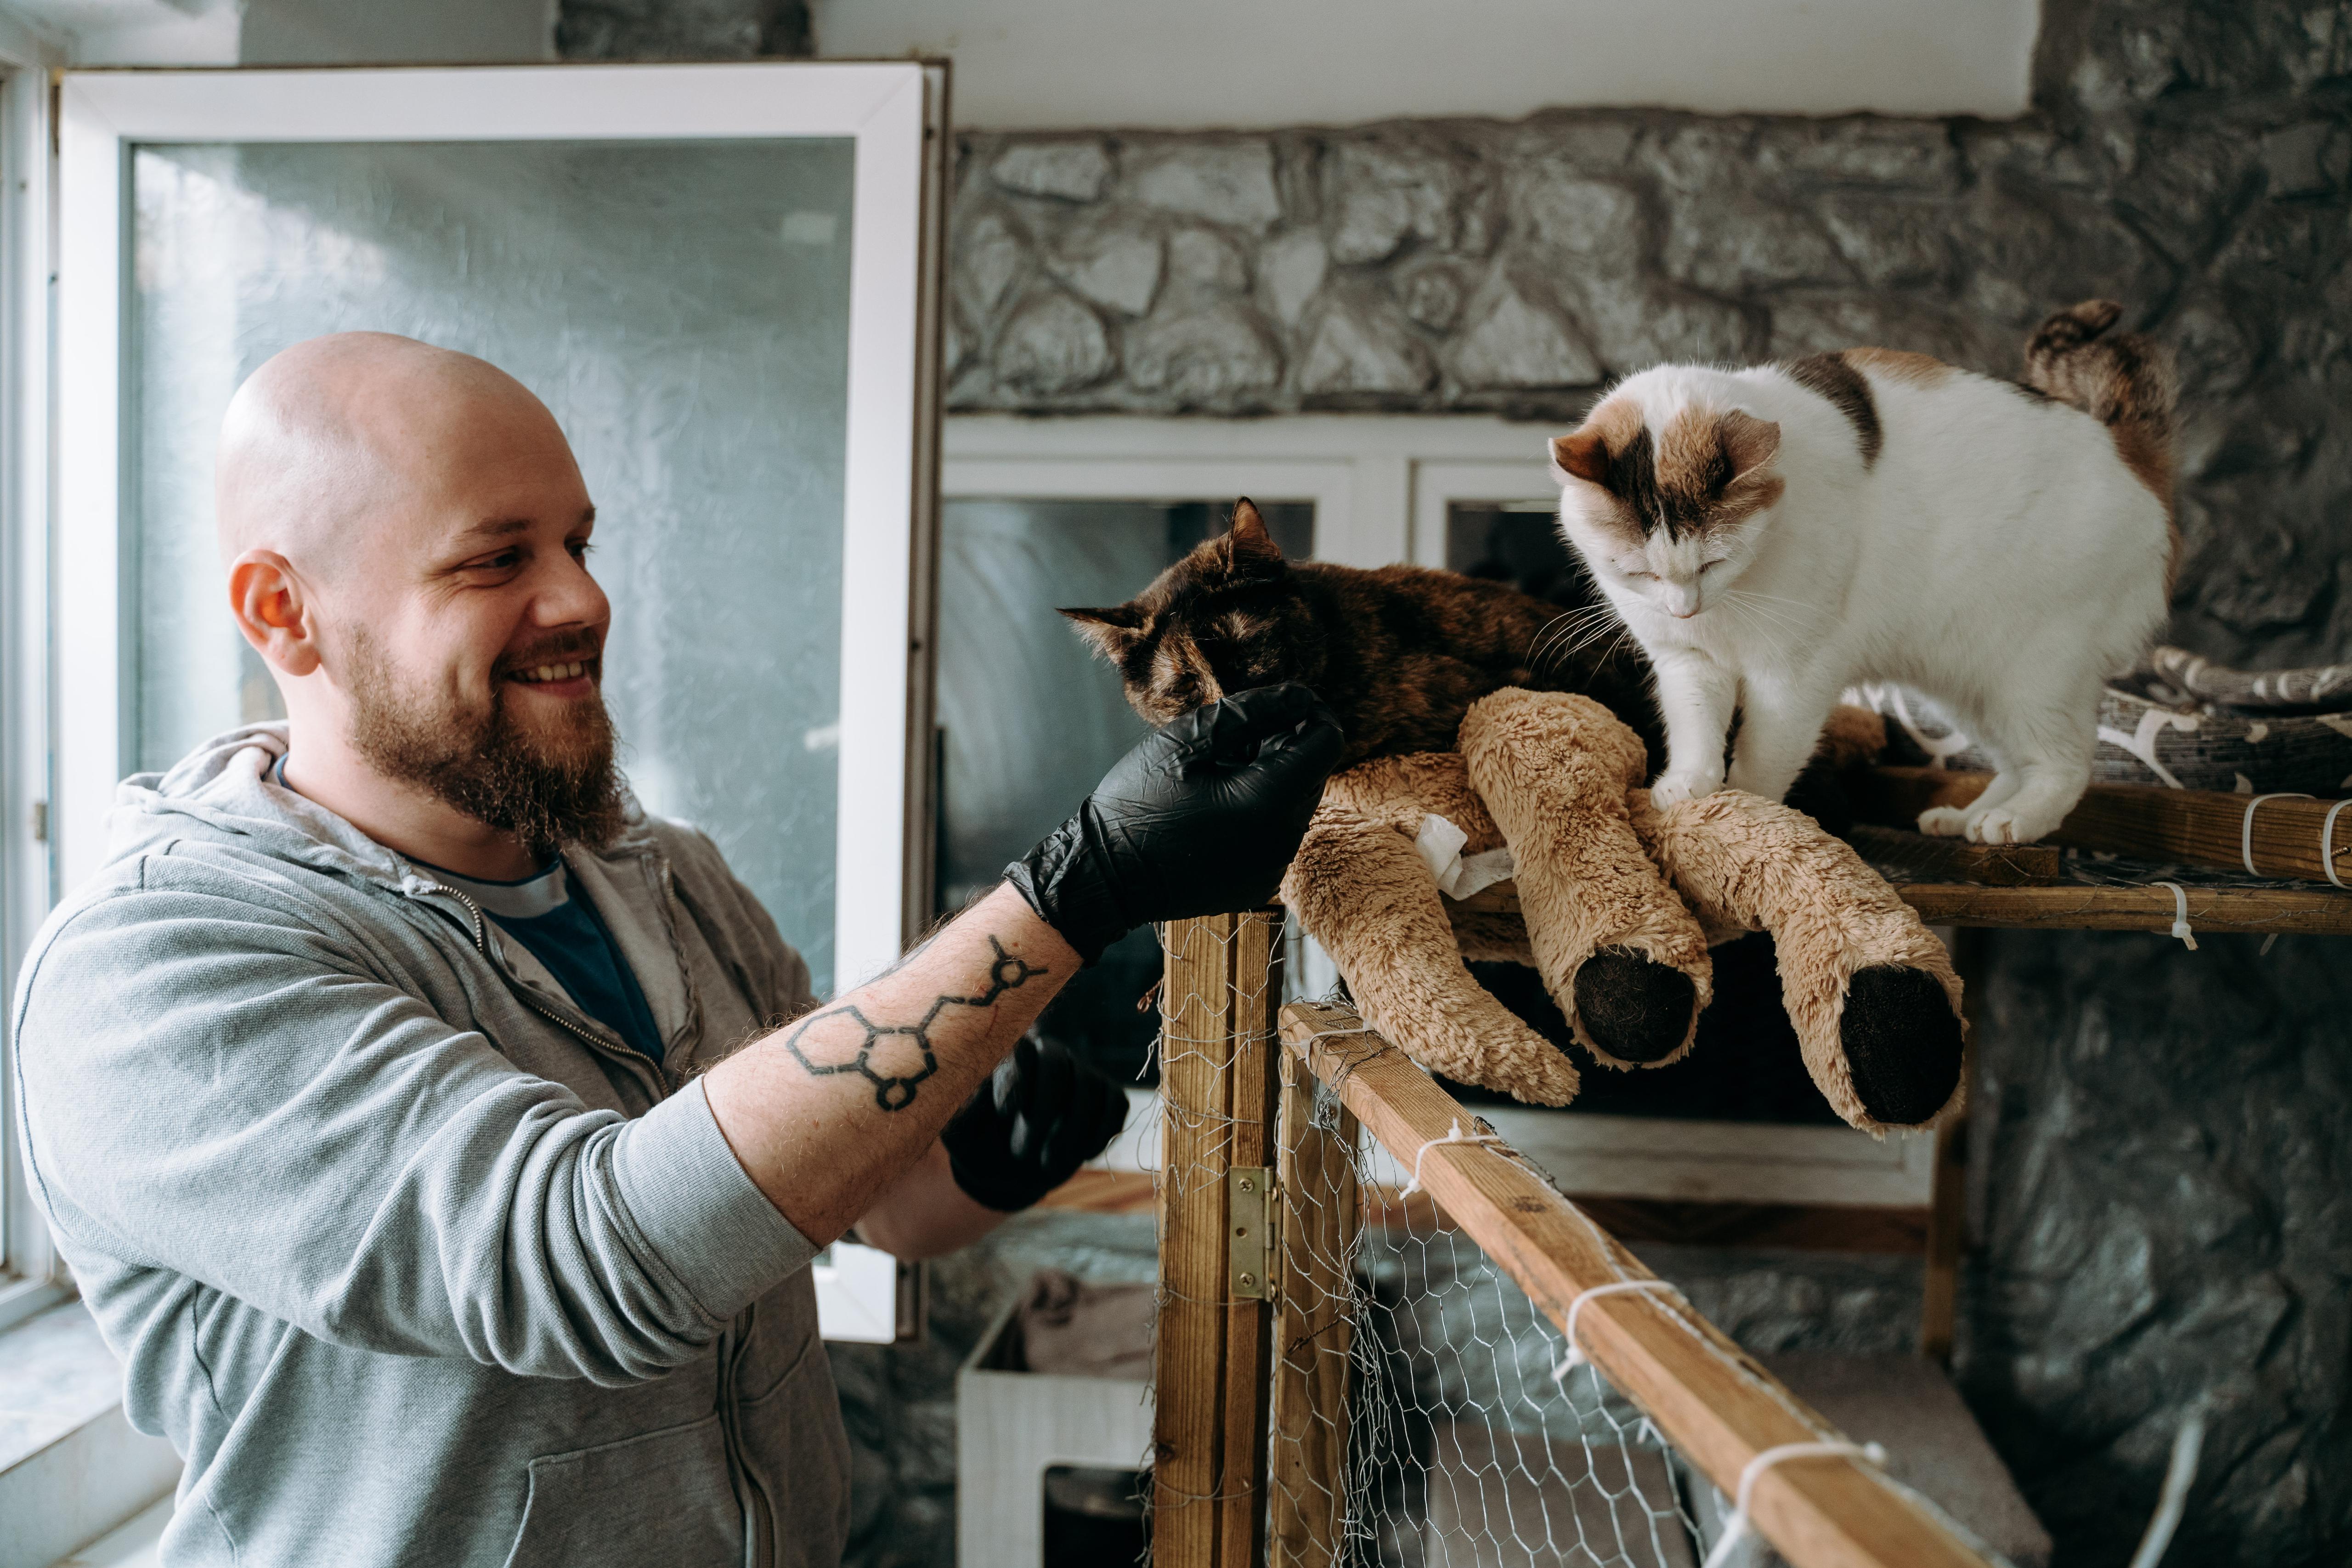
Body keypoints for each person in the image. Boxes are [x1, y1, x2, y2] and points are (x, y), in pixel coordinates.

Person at [9, 333, 1344, 1568]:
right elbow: (594, 1260)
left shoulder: (658, 873)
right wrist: (1071, 892)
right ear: (282, 611)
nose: (583, 598)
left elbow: (876, 1209)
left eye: (579, 542)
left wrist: (989, 1159)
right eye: (496, 559)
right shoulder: (153, 968)